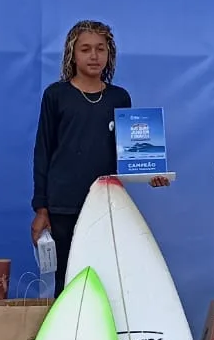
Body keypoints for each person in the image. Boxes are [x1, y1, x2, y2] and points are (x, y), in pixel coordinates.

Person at [29, 19, 167, 293]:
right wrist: (41, 209)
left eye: (100, 49)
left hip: (105, 202)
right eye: (85, 49)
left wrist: (149, 174)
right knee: (66, 278)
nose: (93, 56)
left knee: (104, 274)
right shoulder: (56, 95)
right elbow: (43, 151)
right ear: (72, 54)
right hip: (63, 205)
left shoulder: (120, 98)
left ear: (109, 54)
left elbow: (128, 154)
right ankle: (68, 335)